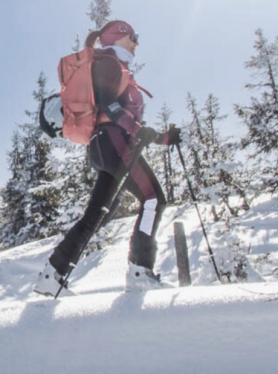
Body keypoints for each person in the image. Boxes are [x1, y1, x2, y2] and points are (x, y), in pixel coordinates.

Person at [35, 20, 181, 296]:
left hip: (106, 147)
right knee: (153, 199)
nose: (136, 42)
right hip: (115, 143)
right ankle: (140, 270)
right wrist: (140, 131)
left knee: (98, 214)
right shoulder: (110, 64)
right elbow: (109, 105)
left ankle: (51, 277)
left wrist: (164, 138)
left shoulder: (114, 66)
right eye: (133, 37)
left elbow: (119, 113)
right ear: (118, 37)